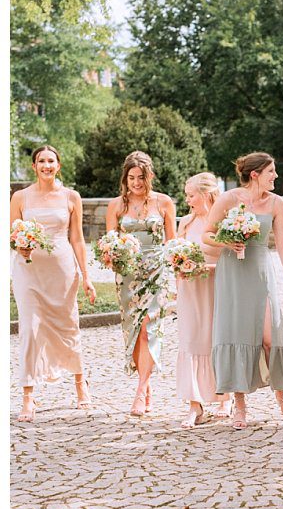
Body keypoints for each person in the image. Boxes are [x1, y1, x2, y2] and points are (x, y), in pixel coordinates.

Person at [205, 152, 283, 429]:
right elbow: (206, 234)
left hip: (261, 273)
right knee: (237, 333)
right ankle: (239, 404)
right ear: (255, 174)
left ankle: (282, 397)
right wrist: (227, 243)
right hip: (233, 273)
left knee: (270, 338)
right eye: (271, 172)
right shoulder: (229, 199)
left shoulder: (276, 203)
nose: (275, 176)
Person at [10, 145, 94, 421]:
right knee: (30, 329)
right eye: (41, 161)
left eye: (51, 161)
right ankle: (28, 396)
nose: (46, 165)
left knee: (68, 326)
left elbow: (78, 239)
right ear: (34, 166)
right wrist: (18, 246)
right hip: (28, 271)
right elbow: (10, 234)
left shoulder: (71, 197)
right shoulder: (20, 197)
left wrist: (87, 276)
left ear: (58, 166)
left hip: (62, 270)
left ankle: (81, 384)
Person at [104, 150, 176, 416]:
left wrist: (175, 270)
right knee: (134, 333)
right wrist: (111, 256)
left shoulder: (164, 202)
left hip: (156, 272)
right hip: (128, 275)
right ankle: (145, 387)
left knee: (149, 328)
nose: (136, 182)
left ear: (150, 177)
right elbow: (109, 243)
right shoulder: (116, 206)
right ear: (125, 178)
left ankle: (140, 389)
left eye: (141, 177)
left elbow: (172, 242)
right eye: (132, 177)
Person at [176, 172, 229, 427]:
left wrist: (205, 269)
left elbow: (232, 263)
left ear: (206, 195)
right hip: (189, 291)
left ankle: (225, 396)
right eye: (187, 195)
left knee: (217, 339)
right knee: (190, 341)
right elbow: (176, 252)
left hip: (215, 287)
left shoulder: (223, 222)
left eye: (191, 195)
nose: (188, 201)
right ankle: (194, 405)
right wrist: (179, 266)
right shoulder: (185, 223)